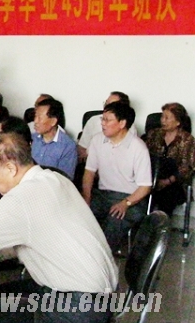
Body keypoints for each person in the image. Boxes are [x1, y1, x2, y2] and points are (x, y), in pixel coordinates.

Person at [0, 133, 118, 323]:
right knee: (4, 294)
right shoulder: (53, 178)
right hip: (101, 296)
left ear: (10, 168)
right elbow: (18, 219)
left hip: (78, 308)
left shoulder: (24, 198)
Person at [82, 101, 152, 253]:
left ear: (122, 123)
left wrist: (125, 203)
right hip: (103, 195)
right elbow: (89, 173)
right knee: (79, 212)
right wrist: (86, 199)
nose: (103, 123)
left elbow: (145, 186)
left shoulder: (138, 147)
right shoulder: (97, 140)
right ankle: (79, 252)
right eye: (102, 119)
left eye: (107, 120)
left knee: (115, 219)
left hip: (131, 199)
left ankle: (102, 256)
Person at [145, 102, 195, 216]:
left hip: (174, 182)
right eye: (162, 116)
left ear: (178, 122)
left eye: (167, 118)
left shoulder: (187, 139)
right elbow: (144, 156)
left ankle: (161, 223)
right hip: (152, 177)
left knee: (167, 196)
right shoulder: (154, 134)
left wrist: (168, 181)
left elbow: (187, 167)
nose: (163, 120)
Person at [77, 91, 136, 162]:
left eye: (111, 104)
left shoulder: (130, 127)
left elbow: (129, 154)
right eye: (106, 103)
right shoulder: (93, 121)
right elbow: (82, 147)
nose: (106, 107)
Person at [31, 98, 77, 179]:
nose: (35, 121)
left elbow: (65, 179)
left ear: (53, 121)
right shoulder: (31, 138)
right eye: (35, 116)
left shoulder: (68, 146)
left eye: (40, 117)